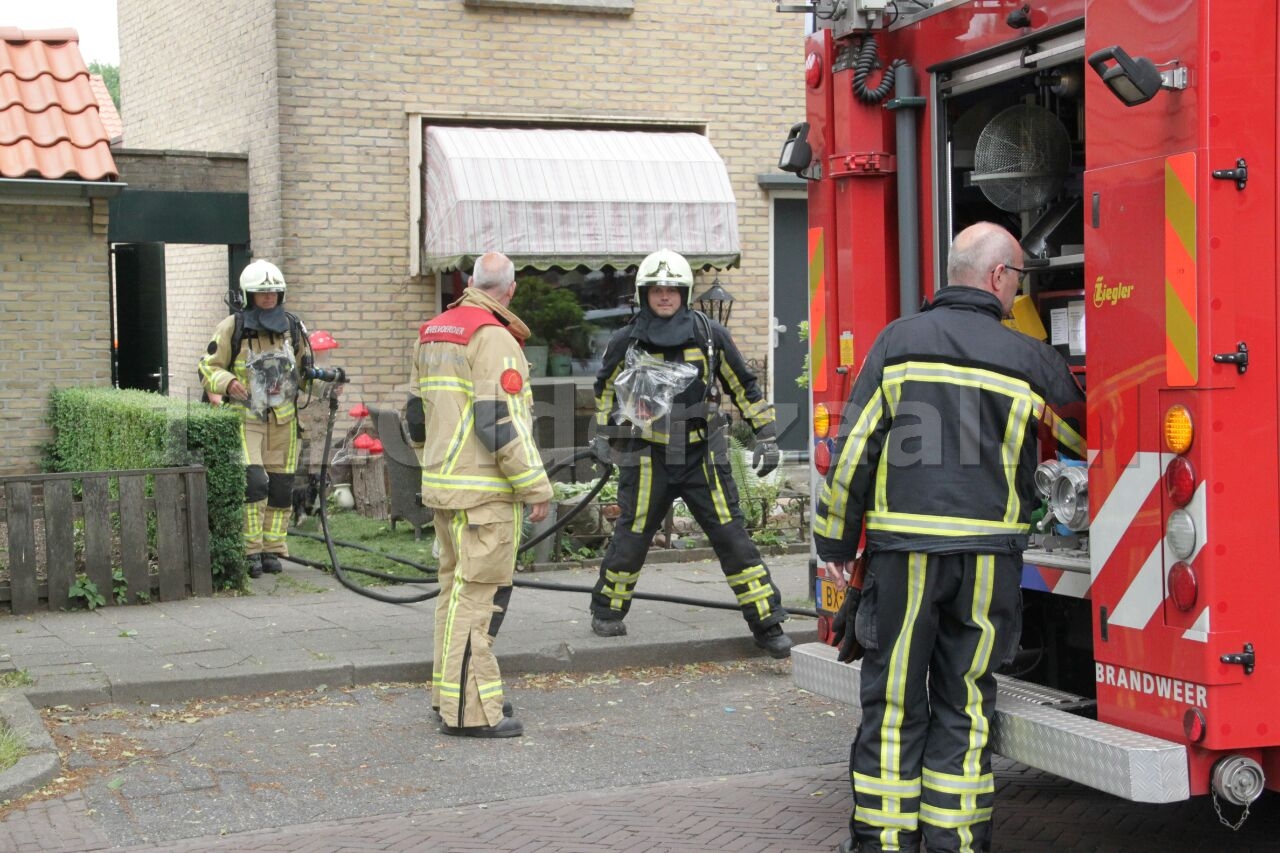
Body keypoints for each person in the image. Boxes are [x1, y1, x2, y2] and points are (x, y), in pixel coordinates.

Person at [814, 223, 1086, 853]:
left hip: (904, 559)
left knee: (894, 704)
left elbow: (853, 453)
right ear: (998, 278)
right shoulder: (1028, 359)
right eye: (1018, 279)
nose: (1017, 290)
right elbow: (1082, 440)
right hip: (989, 565)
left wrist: (834, 546)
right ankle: (956, 842)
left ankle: (882, 842)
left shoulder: (898, 343)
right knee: (966, 704)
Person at [588, 249, 792, 658]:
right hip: (647, 453)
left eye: (672, 290)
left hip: (702, 452)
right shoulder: (625, 339)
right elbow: (605, 388)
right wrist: (605, 435)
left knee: (731, 536)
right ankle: (607, 611)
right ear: (645, 293)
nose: (664, 297)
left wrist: (766, 436)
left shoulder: (710, 335)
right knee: (632, 535)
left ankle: (768, 623)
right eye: (657, 290)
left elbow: (744, 386)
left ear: (684, 292)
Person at [411, 251, 552, 739]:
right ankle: (471, 711)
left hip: (443, 489)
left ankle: (447, 695)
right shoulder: (494, 339)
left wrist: (433, 466)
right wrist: (535, 484)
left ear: (471, 282)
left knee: (453, 594)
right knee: (479, 601)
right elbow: (500, 423)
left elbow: (415, 414)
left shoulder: (435, 331)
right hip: (485, 495)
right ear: (510, 290)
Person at [199, 260, 324, 579]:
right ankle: (249, 550)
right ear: (248, 295)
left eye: (274, 293)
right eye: (261, 293)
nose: (268, 299)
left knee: (282, 488)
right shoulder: (232, 327)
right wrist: (228, 382)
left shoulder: (293, 327)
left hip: (284, 421)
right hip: (245, 419)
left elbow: (304, 371)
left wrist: (319, 381)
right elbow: (208, 367)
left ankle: (273, 549)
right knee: (254, 484)